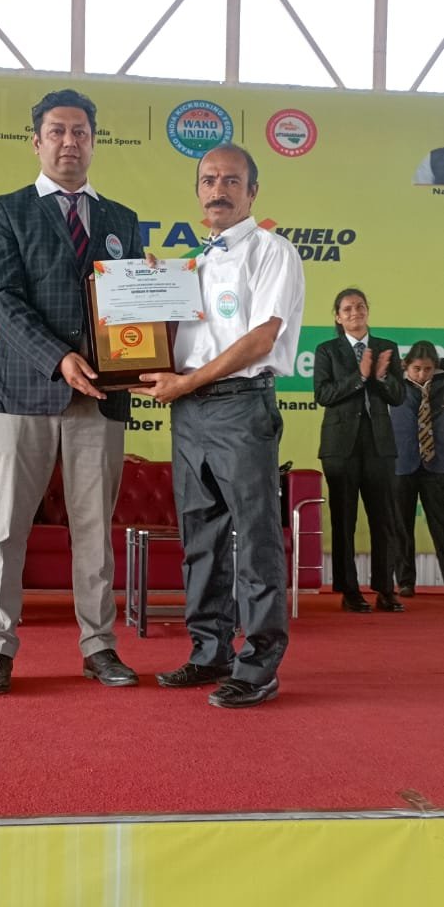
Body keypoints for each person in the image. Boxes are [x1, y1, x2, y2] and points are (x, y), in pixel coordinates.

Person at [0, 87, 146, 695]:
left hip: (101, 396)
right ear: (37, 141)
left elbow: (133, 306)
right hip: (25, 390)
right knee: (7, 526)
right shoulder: (6, 211)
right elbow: (0, 300)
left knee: (94, 528)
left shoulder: (123, 219)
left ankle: (99, 646)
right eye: (57, 131)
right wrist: (59, 357)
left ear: (94, 142)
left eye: (80, 132)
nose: (69, 142)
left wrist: (149, 335)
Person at [138, 143, 305, 710]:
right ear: (197, 192)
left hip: (240, 407)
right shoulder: (193, 266)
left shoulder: (272, 251)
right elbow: (174, 343)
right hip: (191, 412)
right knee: (201, 537)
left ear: (252, 192)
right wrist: (149, 290)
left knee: (255, 539)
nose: (219, 190)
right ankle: (210, 651)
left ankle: (258, 665)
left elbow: (262, 339)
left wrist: (187, 383)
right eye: (209, 180)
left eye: (232, 180)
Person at [313, 289, 405, 613]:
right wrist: (360, 377)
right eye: (348, 308)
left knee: (385, 519)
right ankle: (349, 590)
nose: (355, 312)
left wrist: (380, 377)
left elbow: (398, 396)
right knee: (344, 520)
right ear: (338, 317)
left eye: (360, 306)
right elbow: (323, 394)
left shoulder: (386, 347)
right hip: (341, 447)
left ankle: (385, 589)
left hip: (380, 444)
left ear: (368, 311)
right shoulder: (327, 350)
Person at [391, 340, 444, 596]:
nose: (422, 374)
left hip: (437, 465)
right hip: (402, 465)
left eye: (428, 369)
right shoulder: (394, 387)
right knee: (401, 526)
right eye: (416, 369)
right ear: (406, 366)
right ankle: (405, 582)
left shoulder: (441, 386)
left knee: (441, 526)